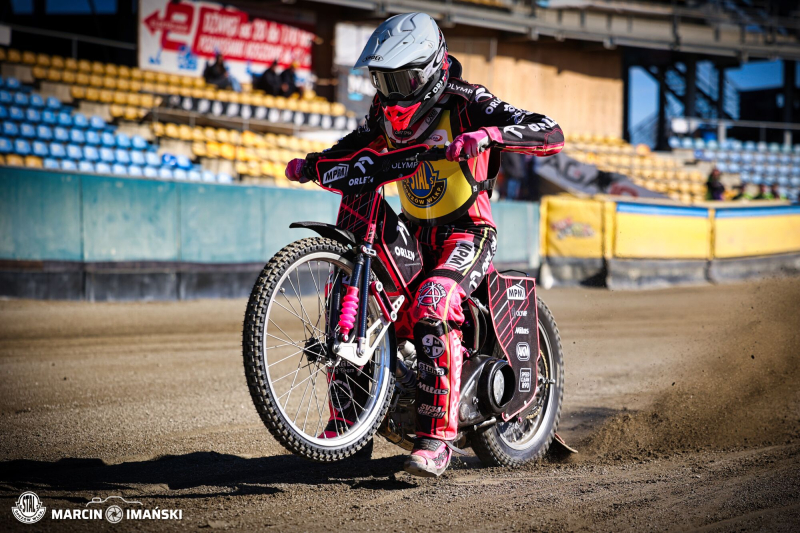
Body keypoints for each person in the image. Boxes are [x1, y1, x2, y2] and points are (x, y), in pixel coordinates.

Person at [285, 12, 563, 478]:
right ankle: (349, 424)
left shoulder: (468, 101)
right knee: (365, 303)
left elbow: (548, 131)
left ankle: (436, 441)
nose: (391, 93)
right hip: (416, 235)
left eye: (402, 79)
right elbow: (358, 144)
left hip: (467, 233)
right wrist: (314, 163)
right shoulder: (382, 111)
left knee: (434, 301)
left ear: (431, 70)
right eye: (382, 80)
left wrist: (488, 135)